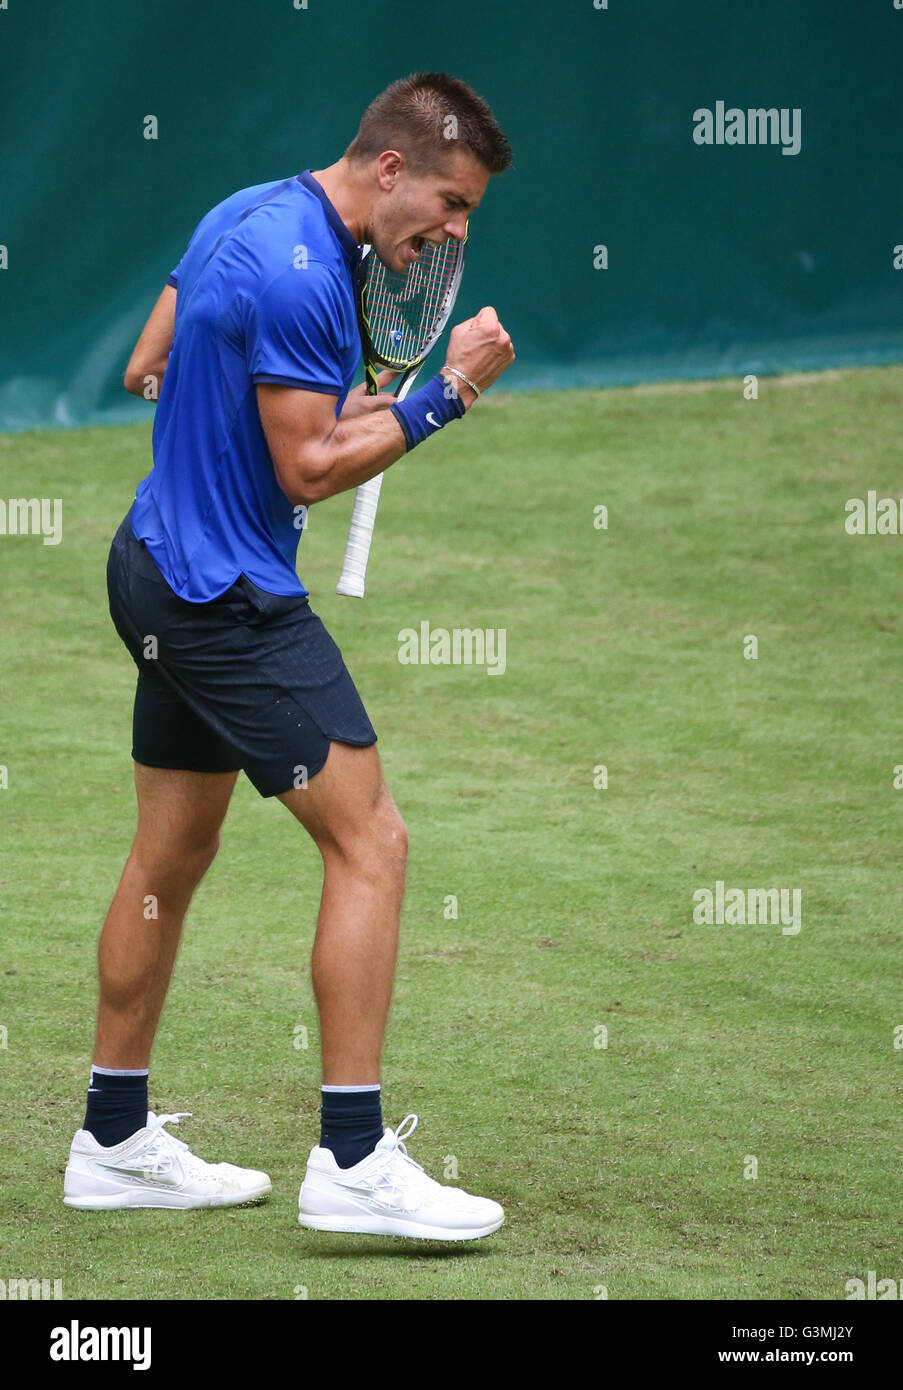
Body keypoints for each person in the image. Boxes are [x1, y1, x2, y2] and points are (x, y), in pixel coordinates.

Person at [63, 72, 516, 1240]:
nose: (456, 232)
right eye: (453, 203)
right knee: (374, 841)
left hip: (151, 563)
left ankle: (111, 1138)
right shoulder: (310, 274)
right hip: (227, 604)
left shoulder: (244, 212)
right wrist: (448, 394)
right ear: (390, 170)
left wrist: (319, 396)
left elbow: (147, 364)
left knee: (174, 848)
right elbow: (305, 469)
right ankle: (354, 1162)